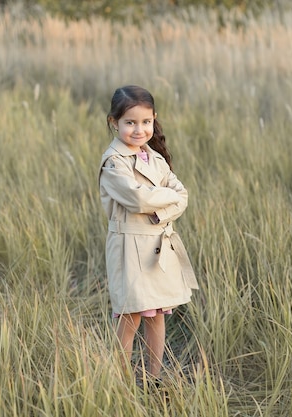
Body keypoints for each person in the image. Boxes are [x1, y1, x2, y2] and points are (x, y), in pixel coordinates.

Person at [98, 85, 198, 381]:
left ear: (154, 120)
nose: (139, 130)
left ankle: (153, 377)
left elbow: (183, 195)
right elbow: (137, 198)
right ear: (114, 123)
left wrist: (160, 209)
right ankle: (122, 381)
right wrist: (165, 197)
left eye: (146, 122)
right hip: (130, 247)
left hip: (157, 247)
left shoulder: (153, 157)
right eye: (130, 123)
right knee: (130, 315)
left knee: (156, 315)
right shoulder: (113, 162)